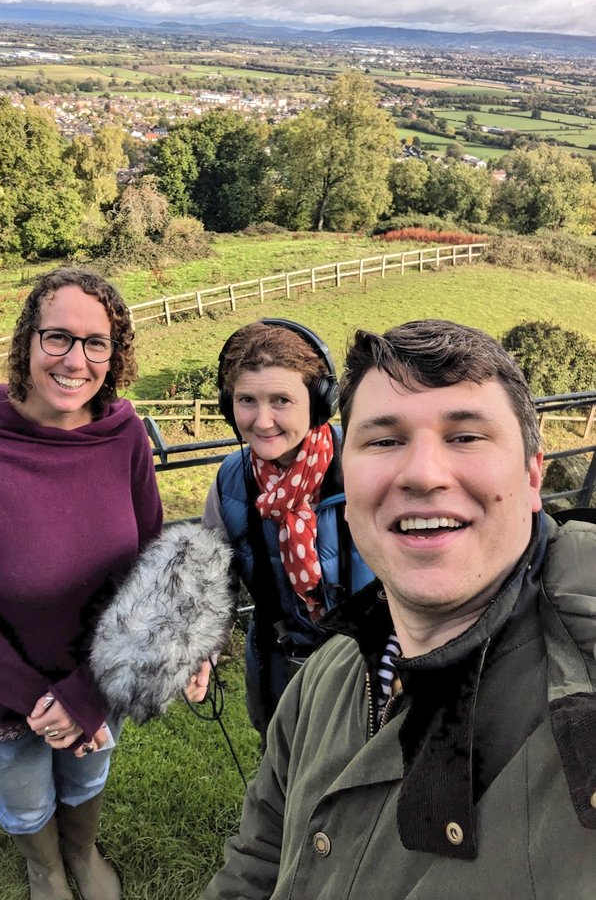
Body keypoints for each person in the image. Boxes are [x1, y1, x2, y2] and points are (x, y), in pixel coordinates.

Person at [202, 318, 596, 899]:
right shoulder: (322, 687)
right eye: (384, 440)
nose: (421, 474)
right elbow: (262, 853)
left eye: (465, 436)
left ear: (534, 473)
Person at [0, 268, 204, 900]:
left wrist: (88, 693)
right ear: (26, 342)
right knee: (23, 796)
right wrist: (50, 707)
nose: (76, 360)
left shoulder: (123, 433)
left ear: (114, 354)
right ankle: (45, 870)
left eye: (96, 342)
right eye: (58, 338)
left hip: (99, 675)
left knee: (86, 776)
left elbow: (152, 563)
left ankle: (82, 849)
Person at [202, 318, 374, 744]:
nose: (262, 421)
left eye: (281, 400)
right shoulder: (231, 482)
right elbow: (209, 588)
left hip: (371, 671)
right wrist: (198, 650)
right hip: (278, 670)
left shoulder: (366, 466)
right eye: (247, 400)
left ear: (318, 402)